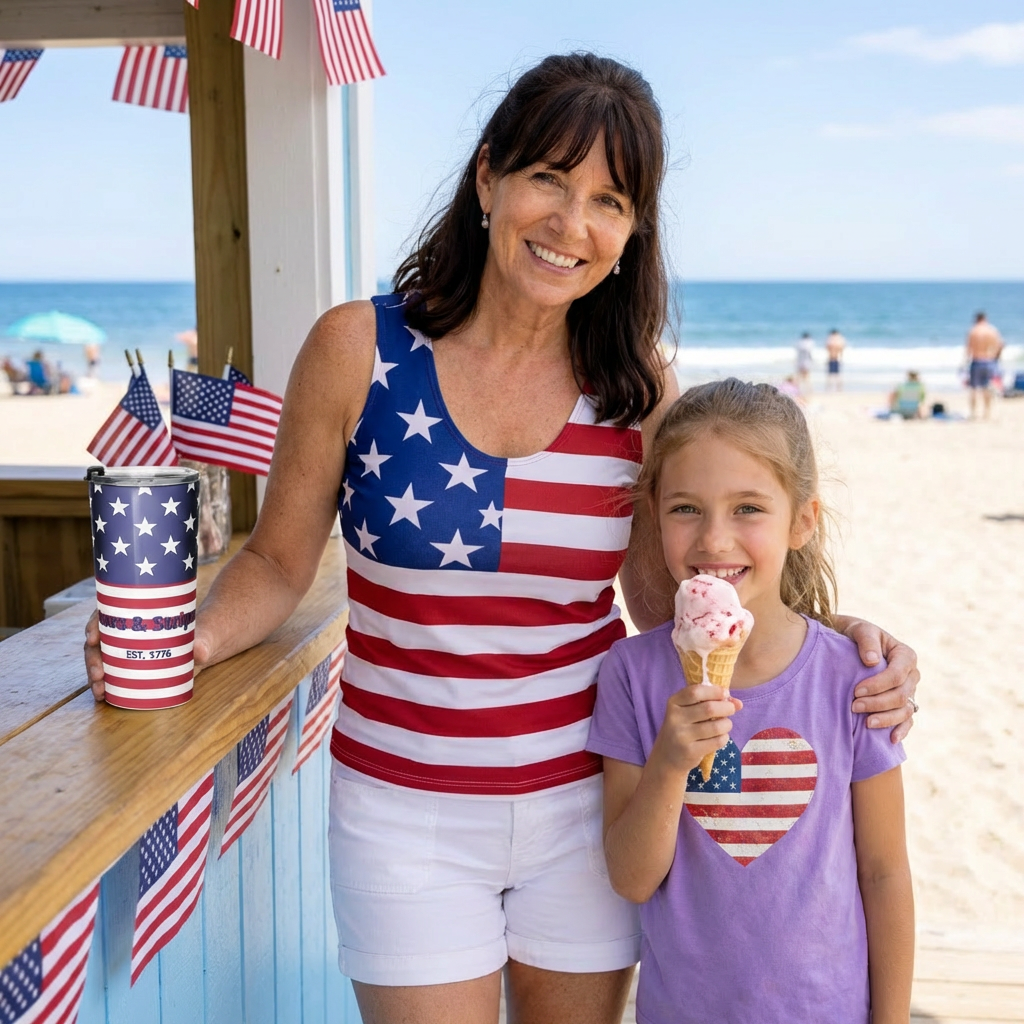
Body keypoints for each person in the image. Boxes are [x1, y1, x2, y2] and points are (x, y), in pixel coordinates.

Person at [84, 54, 919, 1024]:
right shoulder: (357, 349)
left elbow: (683, 602)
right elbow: (276, 562)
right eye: (548, 180)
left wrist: (839, 635)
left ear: (631, 232)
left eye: (608, 200)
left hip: (588, 807)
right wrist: (181, 642)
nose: (572, 224)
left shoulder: (639, 393)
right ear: (488, 179)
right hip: (402, 814)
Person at [589, 379, 913, 1024]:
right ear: (653, 514)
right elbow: (630, 879)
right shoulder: (632, 674)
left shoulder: (852, 678)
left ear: (802, 522)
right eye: (685, 508)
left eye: (748, 508)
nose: (714, 540)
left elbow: (883, 873)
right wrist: (670, 764)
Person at [965, 312, 1003, 419]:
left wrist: (965, 362)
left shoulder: (973, 331)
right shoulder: (992, 330)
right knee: (987, 387)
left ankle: (973, 413)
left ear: (976, 319)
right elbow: (1000, 345)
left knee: (973, 389)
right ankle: (987, 412)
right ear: (985, 319)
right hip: (989, 360)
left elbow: (969, 349)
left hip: (977, 360)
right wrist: (996, 357)